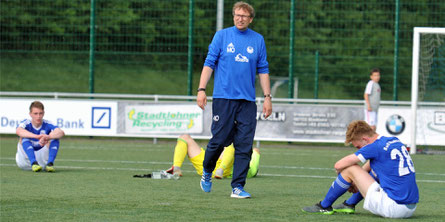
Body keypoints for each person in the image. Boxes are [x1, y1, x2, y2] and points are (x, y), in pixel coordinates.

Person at [196, 1, 272, 199]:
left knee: (245, 145)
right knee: (218, 141)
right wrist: (201, 89)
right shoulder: (222, 36)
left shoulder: (258, 40)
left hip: (247, 101)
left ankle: (237, 187)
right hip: (224, 98)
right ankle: (207, 172)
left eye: (244, 16)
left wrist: (267, 97)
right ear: (233, 16)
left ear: (251, 19)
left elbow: (263, 69)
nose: (240, 18)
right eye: (237, 15)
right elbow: (209, 63)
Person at [302, 120, 419, 218]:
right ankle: (349, 204)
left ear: (365, 139)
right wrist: (356, 181)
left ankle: (324, 206)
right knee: (374, 171)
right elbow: (368, 167)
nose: (358, 149)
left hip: (393, 208)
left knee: (350, 168)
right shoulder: (393, 140)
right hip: (409, 208)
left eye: (358, 146)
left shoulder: (374, 146)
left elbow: (338, 165)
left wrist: (345, 175)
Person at [165, 134, 260, 179]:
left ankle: (176, 167)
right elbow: (255, 154)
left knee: (184, 137)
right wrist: (255, 152)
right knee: (233, 141)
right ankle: (220, 170)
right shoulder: (249, 170)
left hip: (206, 165)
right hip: (220, 164)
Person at [15, 101, 65, 172]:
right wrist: (37, 136)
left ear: (43, 113)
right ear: (30, 114)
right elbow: (18, 131)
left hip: (41, 162)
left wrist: (48, 137)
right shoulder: (26, 123)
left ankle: (50, 164)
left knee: (55, 138)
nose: (38, 116)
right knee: (24, 137)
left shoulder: (48, 123)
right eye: (35, 114)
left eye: (40, 113)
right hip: (24, 162)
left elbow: (61, 132)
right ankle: (33, 162)